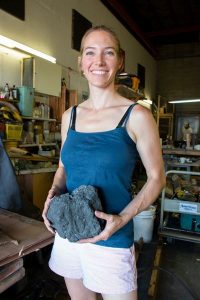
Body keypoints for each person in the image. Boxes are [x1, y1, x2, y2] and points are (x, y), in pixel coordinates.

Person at [42, 25, 166, 300]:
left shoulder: (136, 116)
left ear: (119, 61)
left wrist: (122, 218)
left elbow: (157, 177)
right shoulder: (69, 116)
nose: (98, 62)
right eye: (90, 53)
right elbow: (63, 168)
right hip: (69, 234)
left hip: (112, 239)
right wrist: (52, 195)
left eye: (108, 53)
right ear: (81, 63)